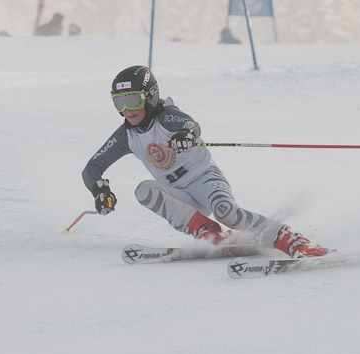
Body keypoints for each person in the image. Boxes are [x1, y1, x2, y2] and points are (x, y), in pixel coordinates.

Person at [81, 66, 328, 258]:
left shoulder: (167, 117)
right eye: (119, 102)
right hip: (181, 196)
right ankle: (210, 232)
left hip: (205, 180)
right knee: (143, 190)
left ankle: (293, 240)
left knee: (228, 213)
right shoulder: (126, 135)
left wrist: (185, 136)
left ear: (149, 97)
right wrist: (100, 190)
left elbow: (190, 125)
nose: (126, 110)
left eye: (132, 101)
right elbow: (92, 168)